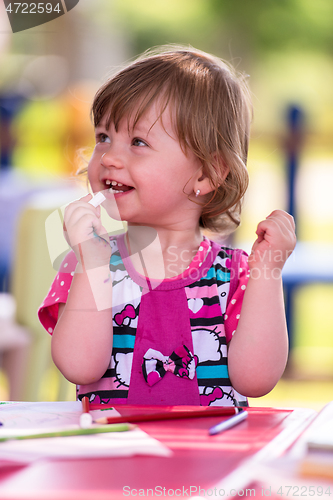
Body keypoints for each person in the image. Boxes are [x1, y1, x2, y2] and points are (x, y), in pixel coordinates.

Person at [38, 45, 296, 407]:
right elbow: (80, 368)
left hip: (211, 460)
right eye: (103, 138)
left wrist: (268, 271)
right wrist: (93, 264)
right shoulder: (88, 263)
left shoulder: (239, 274)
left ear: (206, 174)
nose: (109, 157)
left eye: (138, 142)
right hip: (113, 457)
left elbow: (256, 380)